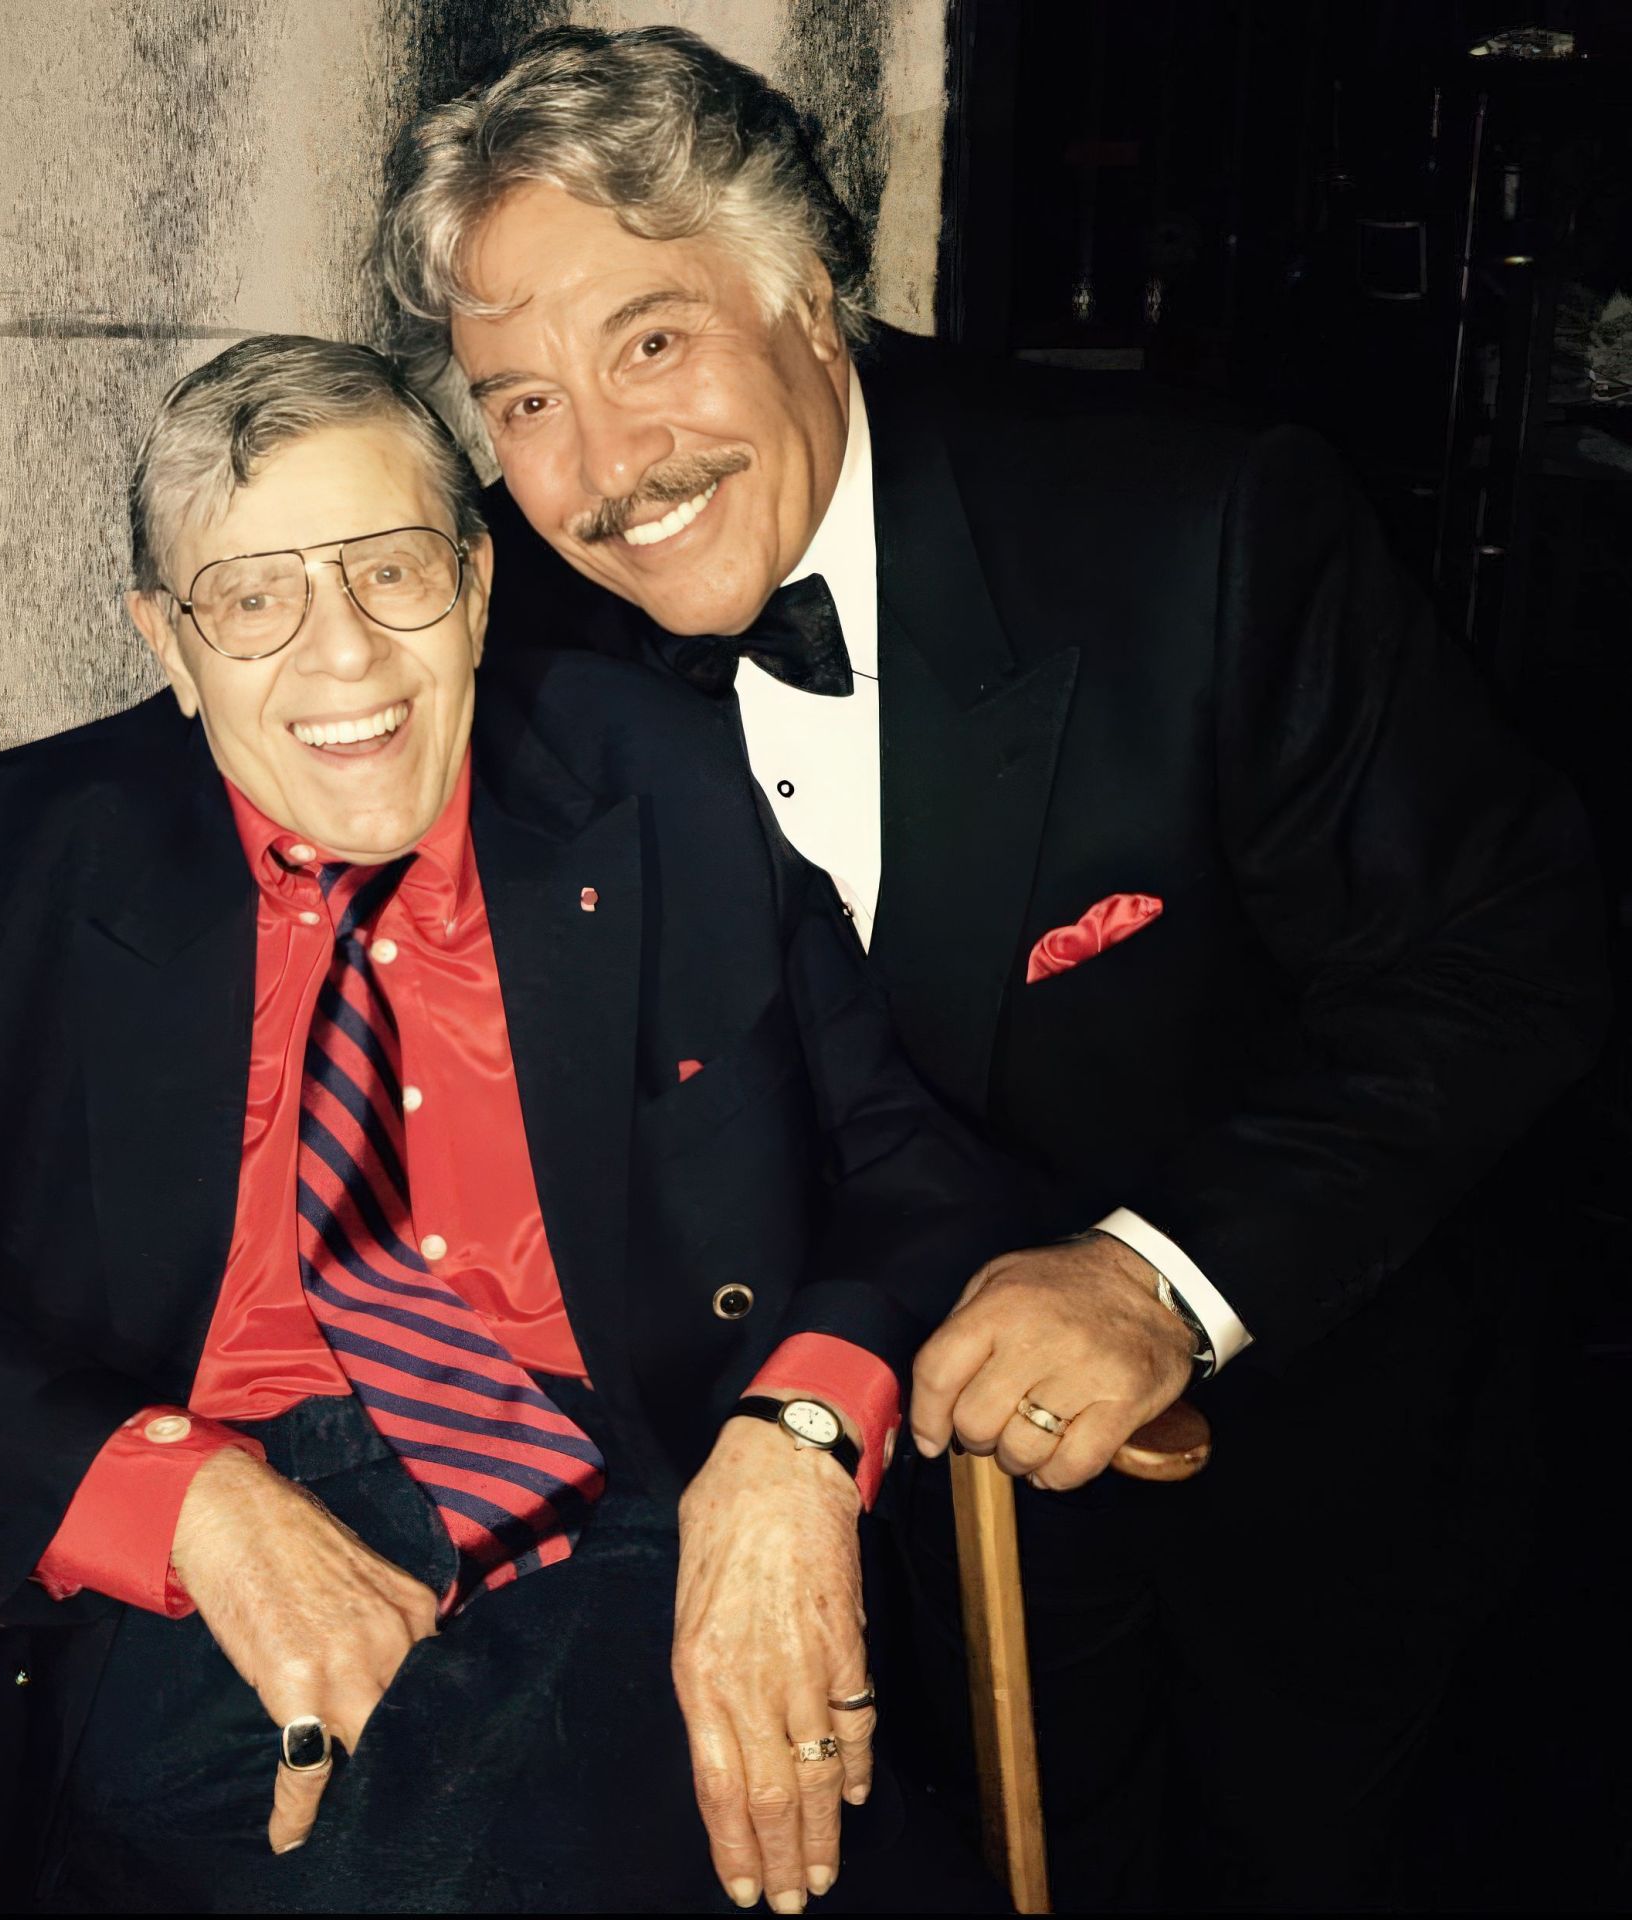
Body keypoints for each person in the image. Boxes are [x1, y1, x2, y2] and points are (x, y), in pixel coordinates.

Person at [356, 26, 1606, 1909]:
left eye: (650, 343)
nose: (602, 468)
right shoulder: (517, 625)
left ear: (802, 291)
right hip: (834, 1499)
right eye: (517, 400)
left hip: (1281, 1466)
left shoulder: (1199, 531)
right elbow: (257, 698)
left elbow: (1511, 957)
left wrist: (1157, 1276)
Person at [0, 336, 1041, 1914]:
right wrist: (184, 1499)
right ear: (170, 643)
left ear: (478, 589)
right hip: (205, 1581)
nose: (343, 656)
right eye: (255, 597)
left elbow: (912, 1162)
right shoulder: (5, 862)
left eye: (394, 571)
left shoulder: (666, 784)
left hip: (642, 1512)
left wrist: (796, 1443)